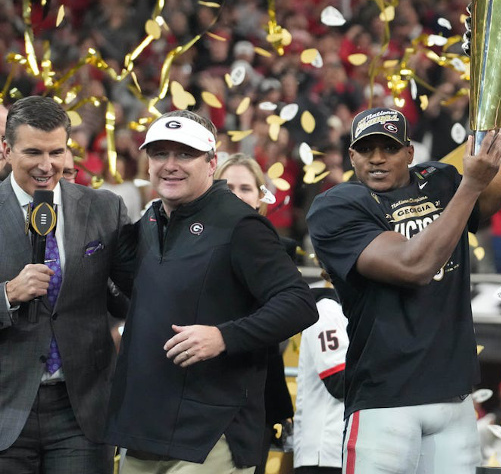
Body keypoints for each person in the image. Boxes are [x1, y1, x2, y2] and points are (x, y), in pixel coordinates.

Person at [306, 22, 501, 474]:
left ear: (408, 152)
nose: (376, 159)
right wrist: (470, 185)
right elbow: (414, 264)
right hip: (384, 399)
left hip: (453, 397)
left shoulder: (442, 180)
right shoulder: (336, 207)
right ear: (351, 157)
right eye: (366, 150)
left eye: (388, 148)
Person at [106, 110, 318, 474]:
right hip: (145, 429)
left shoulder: (241, 223)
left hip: (212, 432)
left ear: (211, 162)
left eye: (184, 154)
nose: (170, 165)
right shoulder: (152, 219)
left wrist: (224, 336)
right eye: (160, 154)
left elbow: (299, 303)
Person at [0, 96, 134, 473]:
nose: (47, 166)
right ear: (7, 150)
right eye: (33, 153)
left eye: (56, 152)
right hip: (5, 410)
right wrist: (7, 294)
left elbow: (129, 297)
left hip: (81, 411)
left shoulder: (106, 207)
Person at [216, 153, 296, 474]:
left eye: (245, 188)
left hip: (257, 393)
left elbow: (281, 330)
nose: (236, 195)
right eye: (227, 186)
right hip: (192, 392)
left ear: (261, 198)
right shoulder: (184, 242)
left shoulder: (281, 250)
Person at [293, 272, 349, 474]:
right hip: (325, 451)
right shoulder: (327, 311)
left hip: (339, 449)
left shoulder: (345, 310)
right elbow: (338, 382)